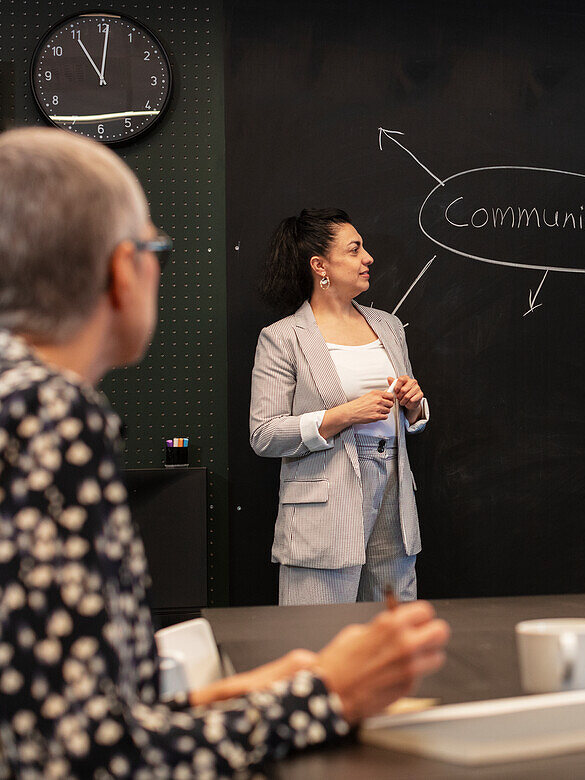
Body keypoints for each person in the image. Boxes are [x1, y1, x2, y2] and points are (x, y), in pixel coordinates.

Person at [0, 127, 449, 776]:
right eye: (157, 246)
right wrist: (317, 699)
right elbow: (93, 757)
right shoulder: (49, 418)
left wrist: (219, 698)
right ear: (124, 270)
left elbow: (78, 716)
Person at [250, 209, 428, 605]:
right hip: (324, 501)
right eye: (355, 249)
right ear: (320, 266)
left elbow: (410, 413)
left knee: (391, 630)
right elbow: (264, 435)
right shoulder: (282, 338)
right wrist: (344, 415)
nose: (369, 258)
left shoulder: (388, 326)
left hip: (394, 494)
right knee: (317, 633)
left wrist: (414, 406)